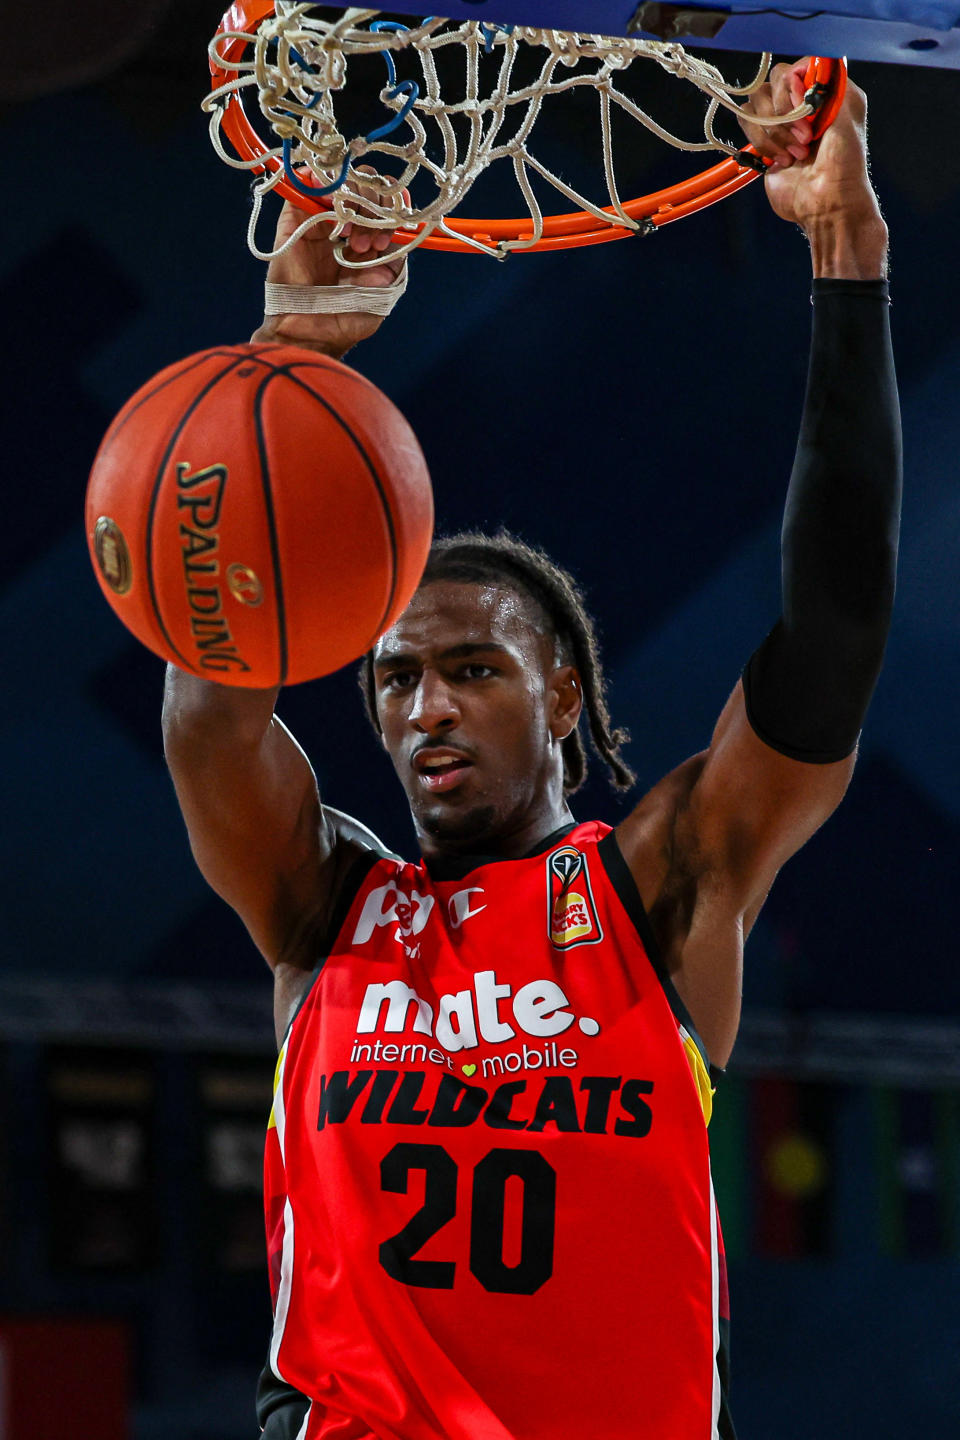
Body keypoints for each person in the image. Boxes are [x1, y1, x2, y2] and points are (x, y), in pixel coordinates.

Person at [163, 59, 900, 1440]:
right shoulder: (328, 906)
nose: (424, 709)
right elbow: (211, 714)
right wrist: (289, 358)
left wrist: (846, 261)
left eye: (470, 671)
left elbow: (836, 631)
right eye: (393, 681)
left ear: (560, 696)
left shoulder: (658, 889)